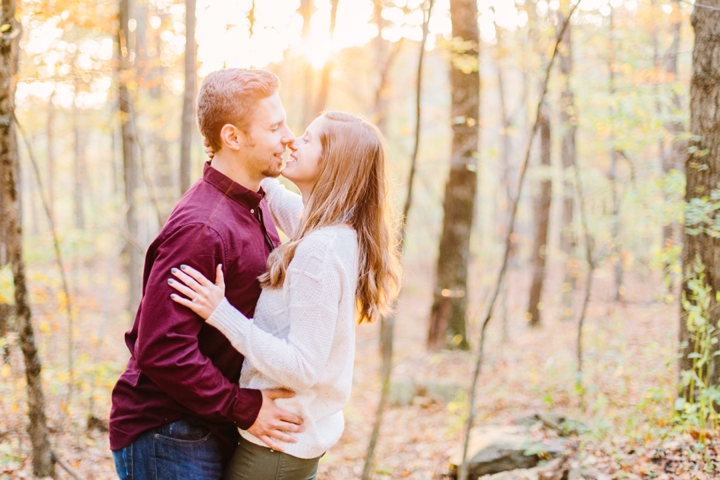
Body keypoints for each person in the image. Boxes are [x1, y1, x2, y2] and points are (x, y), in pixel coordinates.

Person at [167, 111, 402, 479]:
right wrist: (239, 159)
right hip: (288, 442)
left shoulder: (320, 250)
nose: (293, 141)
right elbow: (280, 202)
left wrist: (221, 313)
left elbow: (303, 367)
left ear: (333, 162)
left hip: (277, 448)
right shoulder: (331, 232)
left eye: (308, 139)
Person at [109, 69, 305, 480]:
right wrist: (244, 408)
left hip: (203, 425)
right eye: (274, 127)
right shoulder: (203, 227)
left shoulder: (254, 207)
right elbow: (162, 347)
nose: (288, 136)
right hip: (169, 433)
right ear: (232, 137)